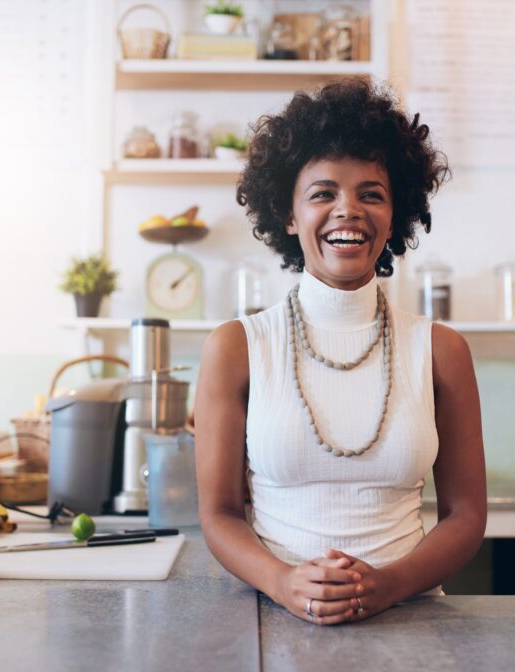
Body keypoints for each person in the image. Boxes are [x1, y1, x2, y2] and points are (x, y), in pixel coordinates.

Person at [194, 79, 486, 625]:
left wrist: (389, 585)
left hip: (411, 621)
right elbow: (219, 514)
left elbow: (466, 516)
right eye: (323, 193)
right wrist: (284, 583)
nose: (347, 210)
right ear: (287, 214)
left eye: (371, 194)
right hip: (273, 621)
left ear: (396, 214)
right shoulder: (237, 347)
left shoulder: (441, 350)